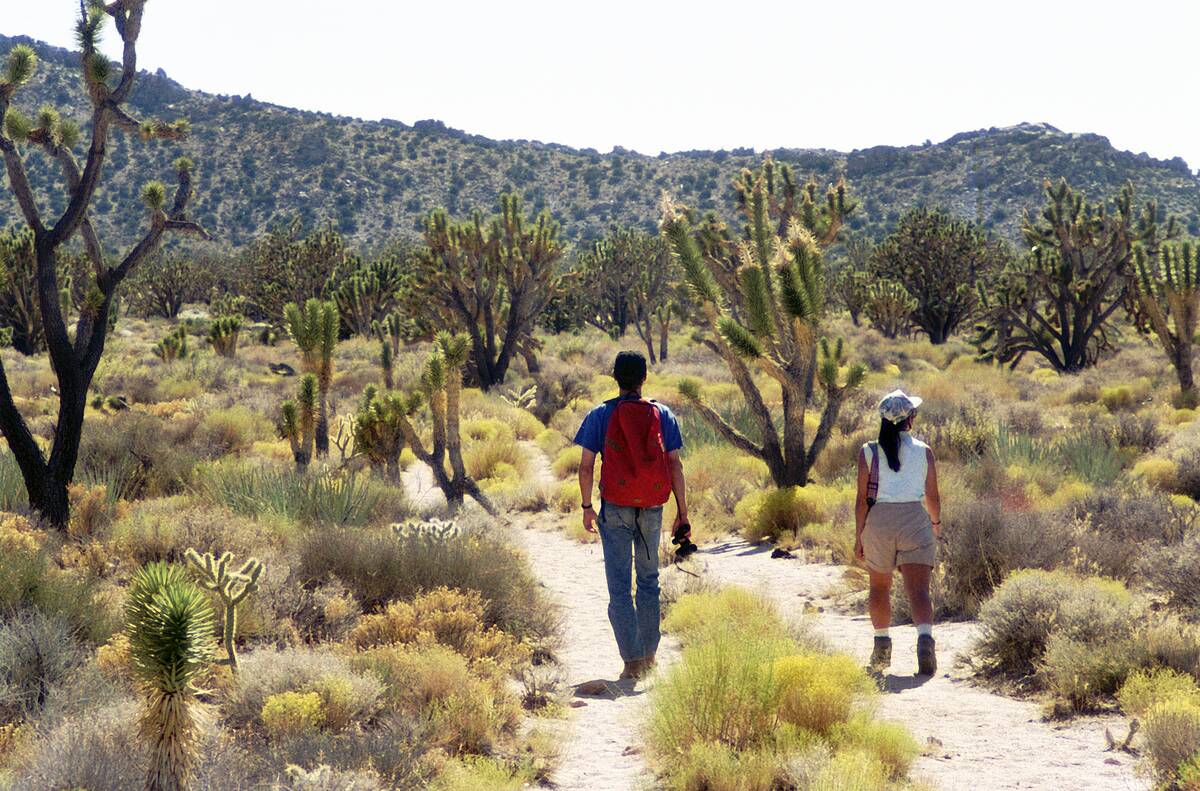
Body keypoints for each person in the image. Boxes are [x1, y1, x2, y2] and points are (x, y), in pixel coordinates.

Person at [575, 351, 688, 680]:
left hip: (615, 509)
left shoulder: (600, 415)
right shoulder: (661, 413)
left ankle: (631, 661)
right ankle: (650, 657)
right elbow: (674, 464)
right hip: (652, 507)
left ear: (615, 377)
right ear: (644, 378)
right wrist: (682, 511)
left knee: (620, 587)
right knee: (649, 581)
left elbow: (585, 467)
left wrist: (586, 507)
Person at [854, 389, 941, 676]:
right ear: (910, 419)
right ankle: (925, 641)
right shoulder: (923, 451)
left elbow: (861, 500)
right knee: (919, 590)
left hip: (879, 522)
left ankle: (881, 648)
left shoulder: (868, 452)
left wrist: (859, 536)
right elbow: (932, 497)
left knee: (879, 587)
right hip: (914, 520)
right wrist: (935, 524)